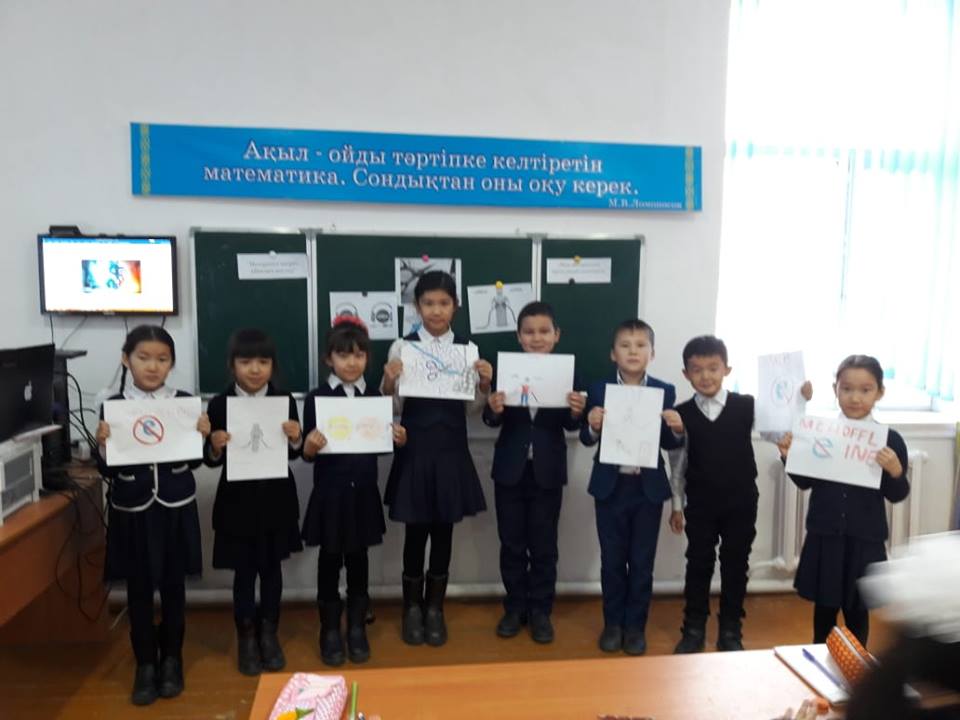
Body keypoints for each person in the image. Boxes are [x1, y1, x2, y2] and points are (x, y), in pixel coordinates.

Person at [95, 325, 210, 706]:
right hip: (133, 510)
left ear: (171, 364)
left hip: (175, 508)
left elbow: (194, 460)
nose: (152, 366)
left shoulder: (184, 402)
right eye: (143, 357)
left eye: (162, 359)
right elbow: (107, 469)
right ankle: (145, 662)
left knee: (174, 588)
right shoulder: (113, 405)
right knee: (139, 590)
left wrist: (201, 436)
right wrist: (102, 444)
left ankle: (172, 659)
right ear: (126, 359)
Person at [382, 270, 491, 647]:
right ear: (417, 306)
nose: (436, 310)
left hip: (450, 451)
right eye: (428, 303)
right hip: (415, 450)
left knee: (444, 531)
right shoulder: (402, 347)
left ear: (455, 306)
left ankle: (434, 609)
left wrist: (484, 384)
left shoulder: (468, 349)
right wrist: (389, 381)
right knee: (415, 532)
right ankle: (411, 609)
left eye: (444, 303)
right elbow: (394, 406)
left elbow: (472, 410)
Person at [779, 354, 909, 647]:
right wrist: (788, 457)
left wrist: (896, 471)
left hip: (865, 539)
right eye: (847, 388)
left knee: (857, 612)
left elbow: (897, 494)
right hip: (826, 535)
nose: (855, 397)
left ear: (880, 392)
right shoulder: (820, 433)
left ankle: (856, 665)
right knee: (824, 611)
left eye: (865, 389)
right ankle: (816, 663)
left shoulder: (890, 440)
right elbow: (805, 482)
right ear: (835, 389)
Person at [301, 316, 407, 666]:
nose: (351, 362)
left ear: (367, 359)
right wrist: (309, 447)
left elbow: (377, 446)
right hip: (330, 494)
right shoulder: (316, 398)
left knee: (359, 560)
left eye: (359, 355)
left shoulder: (375, 397)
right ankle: (330, 629)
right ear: (328, 359)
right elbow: (307, 453)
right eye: (343, 355)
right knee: (330, 560)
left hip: (362, 492)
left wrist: (396, 439)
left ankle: (357, 627)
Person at [482, 301, 585, 643]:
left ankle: (541, 610)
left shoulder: (568, 373)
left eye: (544, 331)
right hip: (509, 470)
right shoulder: (505, 370)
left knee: (544, 545)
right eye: (529, 332)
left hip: (548, 470)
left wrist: (576, 412)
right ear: (519, 336)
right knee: (511, 543)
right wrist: (493, 409)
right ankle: (515, 608)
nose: (536, 338)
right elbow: (490, 420)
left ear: (557, 335)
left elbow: (572, 425)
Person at [203, 329, 303, 676]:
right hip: (237, 503)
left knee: (272, 570)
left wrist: (296, 438)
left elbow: (294, 454)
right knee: (244, 572)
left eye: (263, 361)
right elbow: (210, 460)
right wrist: (215, 446)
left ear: (273, 365)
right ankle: (246, 636)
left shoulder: (284, 400)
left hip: (276, 499)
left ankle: (269, 634)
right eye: (246, 362)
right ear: (232, 365)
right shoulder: (218, 404)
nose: (255, 369)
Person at [580, 319, 683, 655]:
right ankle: (612, 624)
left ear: (652, 353)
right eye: (625, 345)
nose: (633, 351)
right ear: (613, 353)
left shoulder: (665, 390)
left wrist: (677, 429)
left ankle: (635, 627)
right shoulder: (599, 389)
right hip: (610, 487)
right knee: (612, 561)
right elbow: (586, 438)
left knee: (641, 562)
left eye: (640, 346)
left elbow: (668, 442)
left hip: (647, 490)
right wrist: (593, 426)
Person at [670, 335, 760, 653]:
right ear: (686, 374)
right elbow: (677, 463)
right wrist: (677, 504)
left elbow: (779, 427)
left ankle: (730, 629)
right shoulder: (681, 413)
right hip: (700, 503)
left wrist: (799, 399)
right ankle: (693, 628)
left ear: (726, 369)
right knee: (698, 563)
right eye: (697, 370)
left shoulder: (746, 406)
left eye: (713, 368)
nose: (706, 376)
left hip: (741, 501)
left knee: (735, 564)